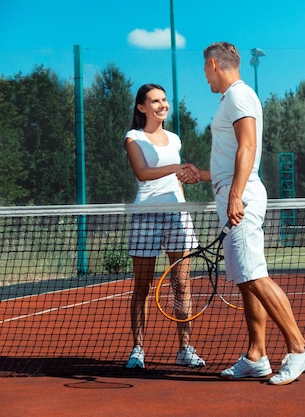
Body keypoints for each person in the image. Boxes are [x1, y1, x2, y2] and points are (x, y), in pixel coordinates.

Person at [187, 42, 305, 385]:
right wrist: (202, 174)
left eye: (205, 69)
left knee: (255, 276)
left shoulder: (238, 96)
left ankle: (299, 348)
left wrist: (234, 195)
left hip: (241, 196)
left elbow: (247, 147)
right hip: (234, 192)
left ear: (214, 64)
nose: (205, 77)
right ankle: (257, 355)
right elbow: (233, 155)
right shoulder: (229, 99)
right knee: (247, 282)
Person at [123, 83, 205, 369]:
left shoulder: (174, 138)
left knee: (181, 284)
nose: (162, 105)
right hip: (146, 215)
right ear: (142, 107)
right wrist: (175, 168)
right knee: (142, 286)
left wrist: (189, 177)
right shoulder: (133, 137)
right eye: (155, 101)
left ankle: (185, 348)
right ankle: (138, 350)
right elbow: (143, 174)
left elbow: (177, 177)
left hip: (177, 215)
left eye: (165, 100)